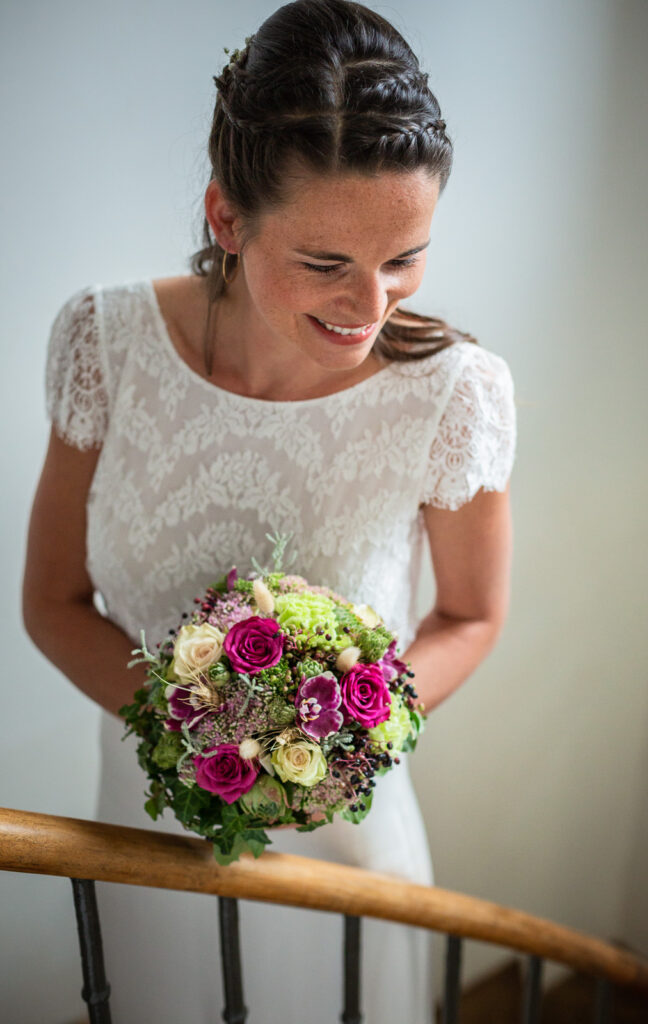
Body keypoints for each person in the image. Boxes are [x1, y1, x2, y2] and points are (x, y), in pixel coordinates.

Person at [22, 0, 516, 1020]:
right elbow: (53, 599)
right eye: (326, 263)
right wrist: (194, 741)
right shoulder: (103, 345)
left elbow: (468, 615)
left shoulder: (451, 391)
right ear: (225, 218)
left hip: (340, 834)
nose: (369, 306)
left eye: (404, 258)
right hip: (148, 823)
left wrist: (340, 748)